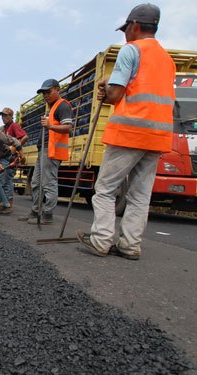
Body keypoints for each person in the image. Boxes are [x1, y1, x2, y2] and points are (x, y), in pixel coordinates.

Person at [77, 3, 175, 261]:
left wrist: (106, 89)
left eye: (126, 29)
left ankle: (100, 240)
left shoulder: (131, 50)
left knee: (106, 189)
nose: (125, 34)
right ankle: (130, 246)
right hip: (158, 137)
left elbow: (116, 94)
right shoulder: (167, 60)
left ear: (135, 26)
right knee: (140, 195)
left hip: (130, 132)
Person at [19, 79, 72, 225]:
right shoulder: (51, 107)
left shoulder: (62, 106)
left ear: (57, 90)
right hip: (44, 149)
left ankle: (47, 215)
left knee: (49, 183)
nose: (45, 95)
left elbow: (67, 127)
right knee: (36, 183)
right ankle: (35, 212)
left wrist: (50, 126)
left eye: (48, 92)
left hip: (52, 150)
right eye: (43, 93)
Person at [0, 107, 29, 207]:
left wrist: (14, 147)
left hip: (11, 158)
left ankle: (9, 204)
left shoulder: (14, 125)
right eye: (2, 116)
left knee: (7, 181)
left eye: (6, 115)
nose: (3, 117)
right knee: (3, 181)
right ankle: (4, 203)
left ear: (11, 116)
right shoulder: (4, 128)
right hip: (5, 157)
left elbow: (25, 137)